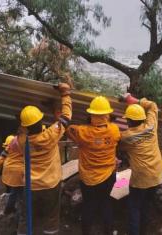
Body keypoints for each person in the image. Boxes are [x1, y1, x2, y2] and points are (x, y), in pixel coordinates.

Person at [16, 82, 72, 235]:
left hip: (30, 185)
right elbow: (66, 118)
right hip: (50, 183)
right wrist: (65, 94)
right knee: (52, 214)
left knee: (25, 216)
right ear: (41, 121)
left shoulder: (21, 140)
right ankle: (51, 231)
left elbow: (21, 129)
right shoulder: (50, 135)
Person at [66, 96, 120, 235]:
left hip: (88, 178)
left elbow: (69, 128)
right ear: (107, 115)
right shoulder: (114, 130)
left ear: (91, 114)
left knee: (88, 205)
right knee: (106, 203)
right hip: (108, 175)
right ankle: (107, 231)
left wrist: (79, 142)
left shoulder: (82, 131)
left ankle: (87, 232)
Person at [119, 94, 162, 235]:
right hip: (156, 174)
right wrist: (133, 100)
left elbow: (118, 145)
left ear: (129, 121)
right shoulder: (151, 125)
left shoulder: (126, 137)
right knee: (146, 205)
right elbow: (153, 105)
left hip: (140, 178)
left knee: (134, 207)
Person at [0, 135, 24, 214]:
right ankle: (12, 210)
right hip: (18, 174)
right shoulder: (23, 148)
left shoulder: (7, 150)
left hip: (8, 174)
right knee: (18, 194)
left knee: (13, 191)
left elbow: (1, 159)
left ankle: (9, 208)